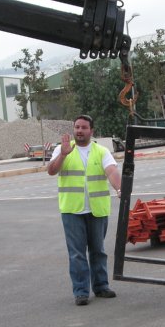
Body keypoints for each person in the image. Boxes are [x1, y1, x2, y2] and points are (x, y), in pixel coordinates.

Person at [47, 115, 122, 306]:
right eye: (77, 127)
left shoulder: (101, 151)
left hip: (97, 210)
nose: (79, 130)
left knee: (98, 251)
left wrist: (119, 188)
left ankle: (101, 287)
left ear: (91, 131)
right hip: (72, 211)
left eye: (84, 127)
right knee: (77, 253)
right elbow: (52, 170)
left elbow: (112, 171)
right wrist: (63, 154)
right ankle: (81, 292)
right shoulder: (62, 149)